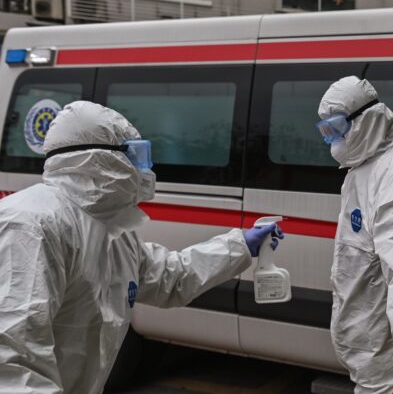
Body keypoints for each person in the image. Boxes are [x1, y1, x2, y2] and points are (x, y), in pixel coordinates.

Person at [0, 101, 282, 394]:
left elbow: (170, 278)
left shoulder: (111, 230)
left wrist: (239, 246)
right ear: (100, 159)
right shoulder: (30, 225)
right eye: (137, 156)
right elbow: (10, 357)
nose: (145, 168)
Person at [316, 76, 393, 393]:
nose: (330, 139)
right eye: (325, 131)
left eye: (335, 127)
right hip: (370, 355)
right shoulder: (361, 170)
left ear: (366, 121)